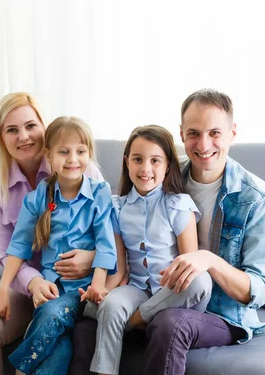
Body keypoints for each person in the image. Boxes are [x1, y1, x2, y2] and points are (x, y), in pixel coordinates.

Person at [70, 89, 265, 375]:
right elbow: (124, 228)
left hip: (221, 313)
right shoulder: (162, 173)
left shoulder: (255, 196)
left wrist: (209, 260)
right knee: (84, 326)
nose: (203, 144)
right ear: (181, 134)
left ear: (232, 133)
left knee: (169, 324)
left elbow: (261, 288)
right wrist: (93, 258)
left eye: (215, 133)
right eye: (194, 133)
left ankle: (133, 321)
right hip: (157, 294)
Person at [0, 93, 103, 375]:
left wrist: (90, 258)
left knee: (56, 337)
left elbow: (109, 231)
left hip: (76, 285)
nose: (24, 137)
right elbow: (8, 252)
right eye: (12, 130)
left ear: (44, 126)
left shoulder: (79, 167)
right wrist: (33, 283)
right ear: (1, 138)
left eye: (31, 126)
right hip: (29, 287)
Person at [86, 125, 212, 375]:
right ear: (127, 163)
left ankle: (136, 321)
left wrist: (175, 281)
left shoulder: (178, 205)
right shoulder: (117, 207)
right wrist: (103, 292)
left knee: (201, 280)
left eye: (155, 160)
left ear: (167, 166)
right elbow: (120, 265)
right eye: (137, 159)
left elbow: (190, 262)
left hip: (175, 291)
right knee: (110, 304)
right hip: (138, 288)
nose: (145, 168)